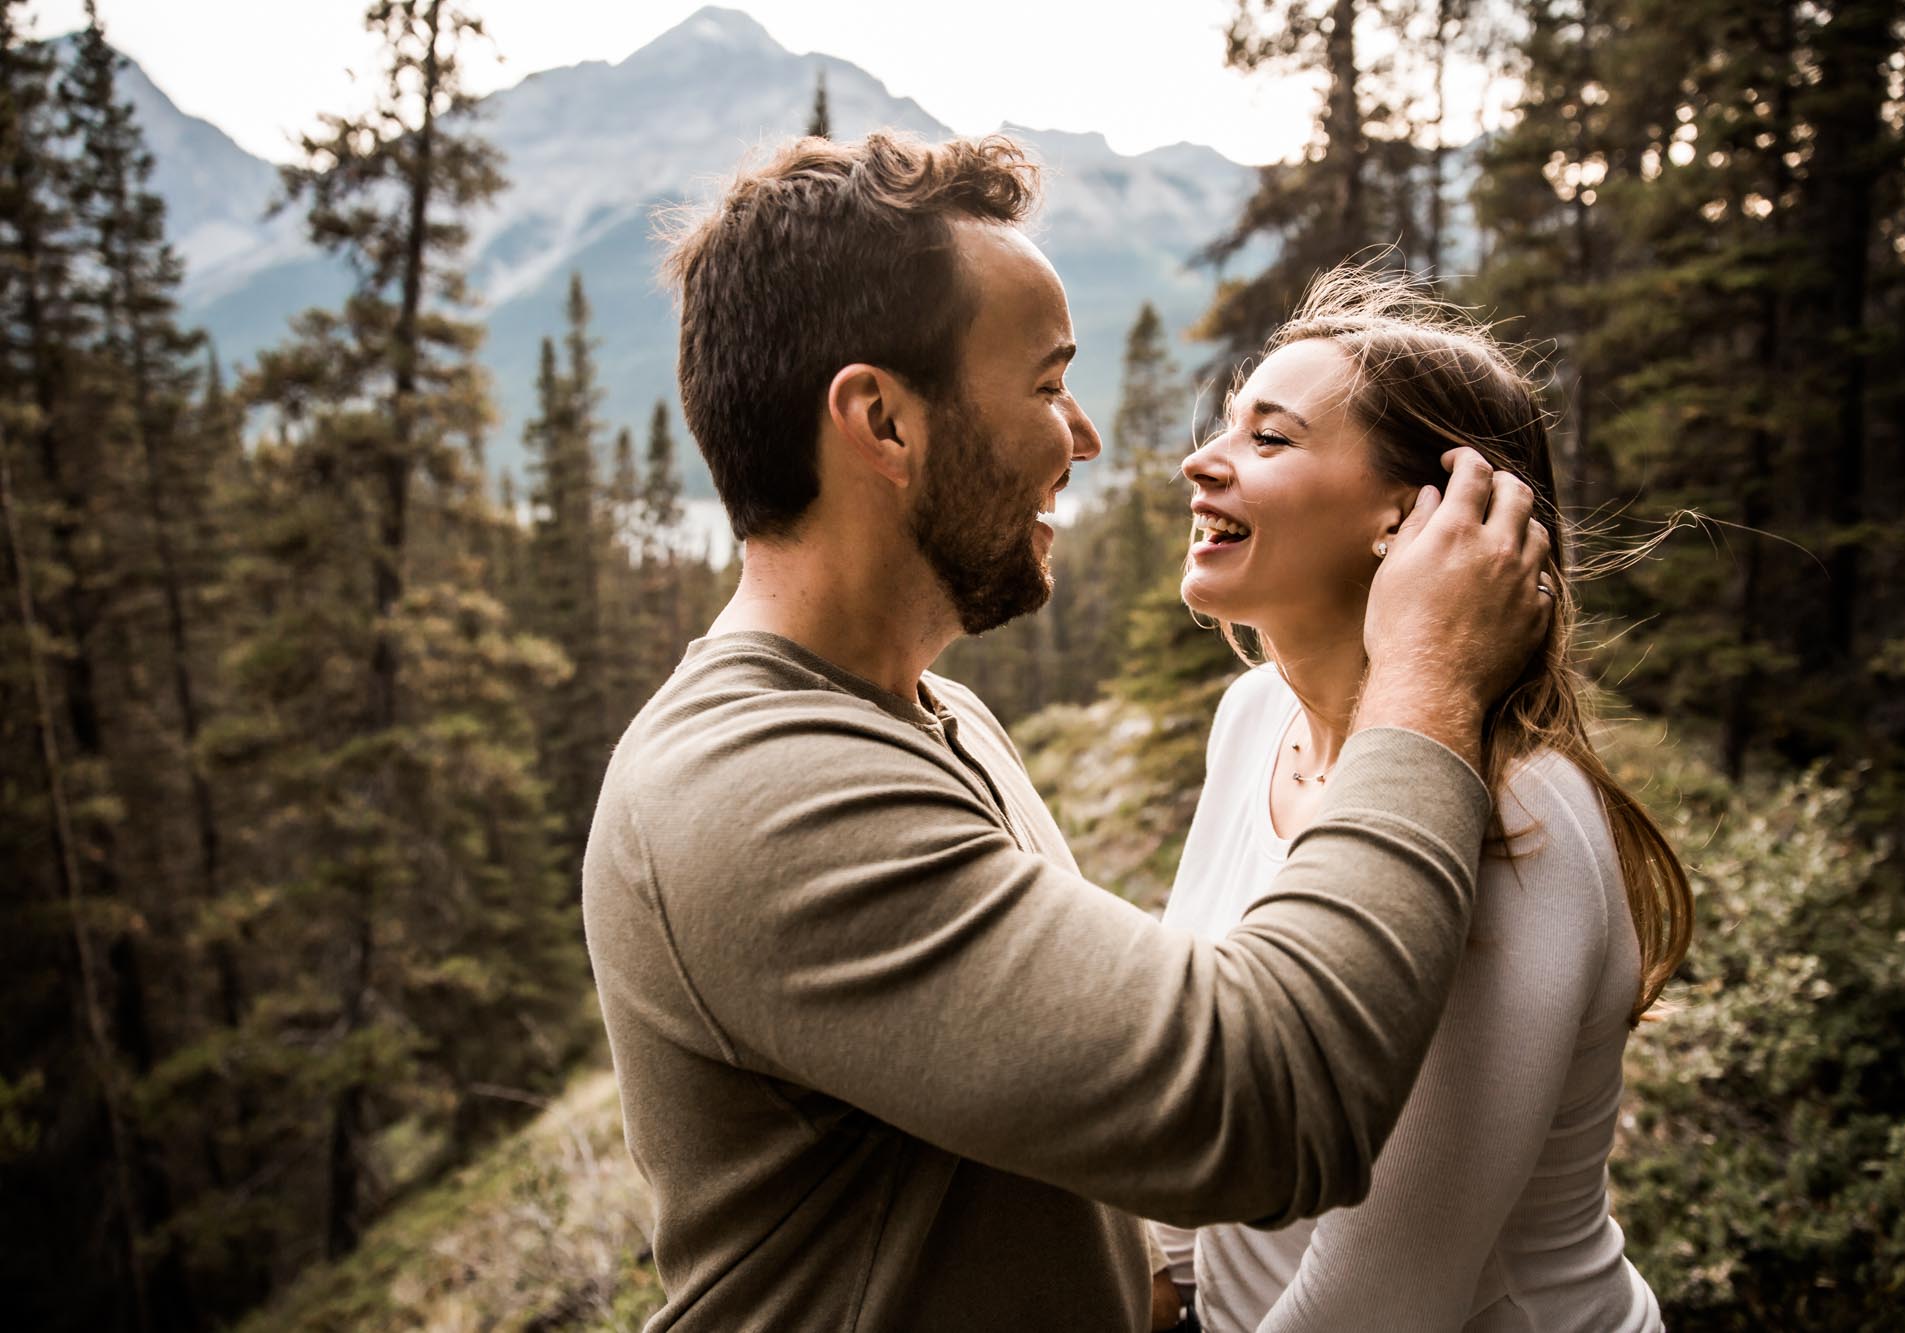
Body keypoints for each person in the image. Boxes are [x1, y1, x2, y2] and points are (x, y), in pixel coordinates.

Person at [582, 132, 1552, 1332]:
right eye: (1044, 385)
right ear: (881, 423)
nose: (1082, 437)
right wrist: (1430, 680)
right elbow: (1268, 1104)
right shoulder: (762, 791)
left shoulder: (932, 717)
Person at [1148, 271, 1693, 1332]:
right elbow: (1206, 1053)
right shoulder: (1252, 717)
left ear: (1409, 517)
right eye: (1227, 427)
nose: (1199, 462)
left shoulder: (1519, 822)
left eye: (1269, 439)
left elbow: (1381, 1303)